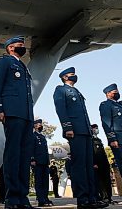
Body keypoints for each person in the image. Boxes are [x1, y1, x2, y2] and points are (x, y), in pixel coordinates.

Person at [53, 67, 106, 209]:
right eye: (72, 75)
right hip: (75, 131)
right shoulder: (61, 90)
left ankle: (92, 197)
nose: (74, 76)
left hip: (86, 131)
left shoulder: (77, 92)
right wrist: (67, 127)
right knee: (80, 166)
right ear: (64, 77)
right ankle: (83, 199)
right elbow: (61, 109)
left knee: (89, 166)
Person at [0, 36, 33, 209]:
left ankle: (23, 197)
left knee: (24, 157)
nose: (22, 47)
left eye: (23, 45)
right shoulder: (5, 62)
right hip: (12, 113)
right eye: (19, 45)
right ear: (10, 48)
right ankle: (12, 198)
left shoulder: (23, 66)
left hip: (26, 115)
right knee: (13, 155)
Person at [31, 119, 52, 207]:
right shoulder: (32, 136)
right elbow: (31, 148)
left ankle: (46, 198)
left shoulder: (43, 137)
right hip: (37, 162)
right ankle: (41, 199)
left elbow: (45, 150)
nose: (40, 126)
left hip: (44, 162)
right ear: (35, 126)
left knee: (45, 182)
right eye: (38, 124)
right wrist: (32, 159)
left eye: (41, 124)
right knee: (39, 182)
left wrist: (48, 161)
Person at [91, 124, 114, 204]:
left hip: (104, 163)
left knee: (107, 181)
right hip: (97, 164)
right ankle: (102, 197)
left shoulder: (99, 140)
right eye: (95, 128)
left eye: (97, 128)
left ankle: (109, 197)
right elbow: (92, 153)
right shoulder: (90, 140)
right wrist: (93, 163)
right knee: (99, 182)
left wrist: (108, 164)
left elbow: (103, 153)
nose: (96, 130)